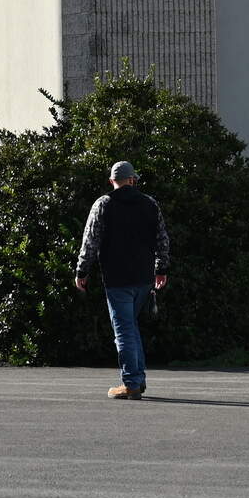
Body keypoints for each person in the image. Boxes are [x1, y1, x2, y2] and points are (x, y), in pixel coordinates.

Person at [73, 161, 170, 400]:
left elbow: (90, 241)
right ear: (133, 179)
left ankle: (131, 383)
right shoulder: (150, 203)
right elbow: (162, 239)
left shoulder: (103, 204)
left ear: (111, 181)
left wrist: (82, 271)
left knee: (124, 330)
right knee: (130, 326)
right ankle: (139, 378)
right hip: (143, 278)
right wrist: (161, 268)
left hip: (117, 278)